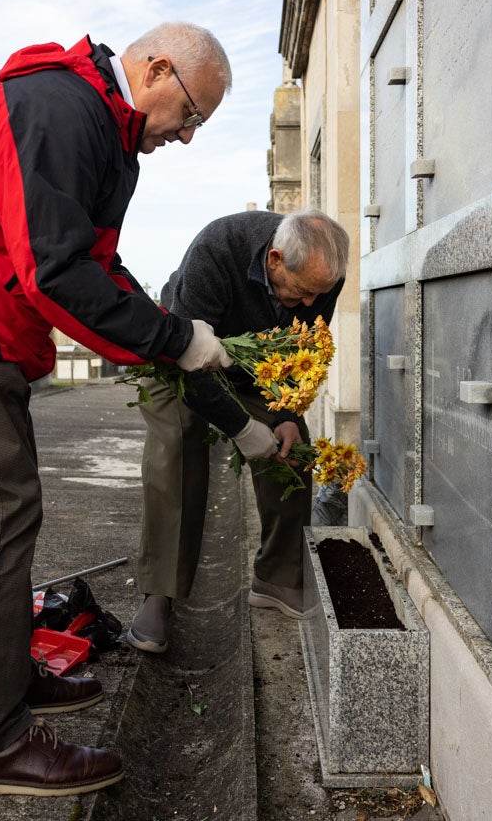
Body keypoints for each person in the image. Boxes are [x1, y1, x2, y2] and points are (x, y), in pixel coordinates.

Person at [0, 22, 234, 798]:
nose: (190, 137)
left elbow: (96, 262)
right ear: (156, 68)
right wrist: (174, 337)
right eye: (192, 114)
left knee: (9, 510)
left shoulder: (102, 125)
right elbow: (55, 271)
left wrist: (169, 337)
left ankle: (7, 683)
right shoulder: (63, 108)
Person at [125, 209, 349, 655]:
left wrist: (284, 411)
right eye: (303, 291)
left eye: (318, 295)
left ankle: (277, 578)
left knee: (292, 451)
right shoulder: (217, 249)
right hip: (179, 357)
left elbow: (301, 344)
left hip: (254, 369)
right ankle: (160, 595)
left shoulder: (324, 274)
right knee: (178, 446)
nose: (310, 303)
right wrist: (244, 429)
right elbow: (190, 370)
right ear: (275, 260)